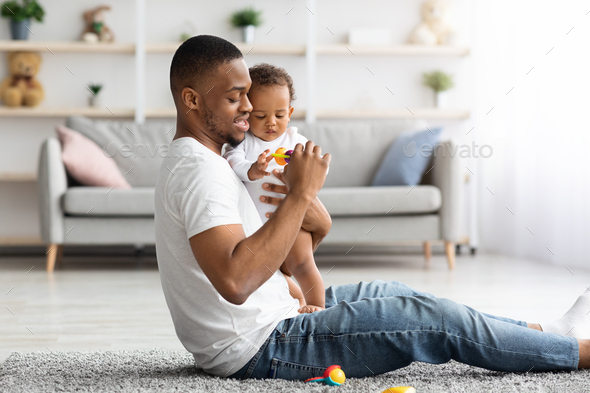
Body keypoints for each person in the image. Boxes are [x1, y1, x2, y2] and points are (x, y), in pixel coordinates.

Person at [154, 35, 590, 381]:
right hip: (261, 345)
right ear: (192, 100)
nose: (249, 108)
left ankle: (547, 334)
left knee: (398, 294)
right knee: (428, 320)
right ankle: (574, 353)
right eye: (235, 98)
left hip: (276, 311)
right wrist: (302, 195)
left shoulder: (214, 160)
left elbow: (271, 256)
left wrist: (312, 221)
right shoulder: (199, 170)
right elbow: (235, 280)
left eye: (248, 95)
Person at [223, 63, 325, 313]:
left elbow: (317, 167)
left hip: (293, 220)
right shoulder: (244, 143)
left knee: (303, 262)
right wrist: (252, 170)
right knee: (270, 275)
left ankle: (316, 305)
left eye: (279, 115)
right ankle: (296, 300)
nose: (271, 123)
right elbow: (232, 161)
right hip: (256, 227)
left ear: (289, 113)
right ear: (247, 114)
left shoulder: (295, 141)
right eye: (261, 116)